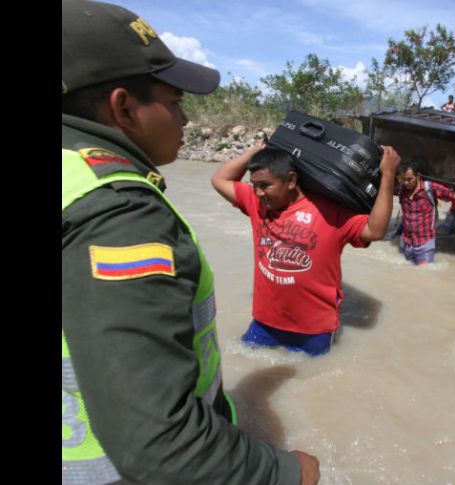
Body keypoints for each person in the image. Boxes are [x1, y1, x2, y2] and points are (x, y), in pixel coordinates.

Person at [62, 1, 320, 483]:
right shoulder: (119, 212)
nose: (184, 119)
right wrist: (282, 473)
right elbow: (159, 441)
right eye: (175, 102)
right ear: (122, 108)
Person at [211, 143, 401, 356]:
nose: (258, 193)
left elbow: (375, 231)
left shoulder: (329, 211)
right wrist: (253, 153)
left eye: (265, 185)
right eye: (253, 185)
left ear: (291, 180)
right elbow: (219, 179)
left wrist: (388, 176)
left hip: (314, 329)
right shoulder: (257, 204)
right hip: (265, 322)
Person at [395, 160, 455, 264]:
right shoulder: (401, 188)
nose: (406, 183)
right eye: (403, 179)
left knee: (424, 273)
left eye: (409, 179)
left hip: (424, 244)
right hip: (407, 243)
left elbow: (454, 195)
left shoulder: (429, 188)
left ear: (418, 176)